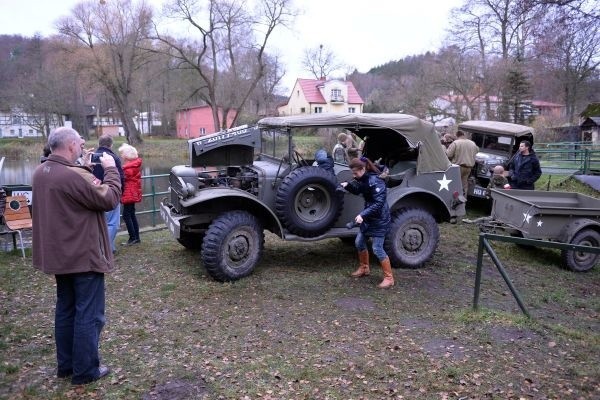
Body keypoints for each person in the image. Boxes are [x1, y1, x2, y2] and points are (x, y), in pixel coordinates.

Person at [32, 127, 121, 385]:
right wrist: (111, 168)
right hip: (82, 254)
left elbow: (75, 197)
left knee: (66, 309)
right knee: (89, 313)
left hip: (59, 255)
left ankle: (67, 366)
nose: (83, 148)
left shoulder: (41, 171)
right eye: (80, 144)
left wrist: (84, 170)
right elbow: (109, 198)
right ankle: (85, 371)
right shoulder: (73, 174)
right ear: (70, 146)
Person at [340, 157, 394, 289]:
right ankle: (364, 268)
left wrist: (362, 215)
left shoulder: (376, 181)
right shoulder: (364, 179)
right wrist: (348, 186)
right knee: (359, 242)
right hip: (369, 218)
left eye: (355, 173)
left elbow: (378, 203)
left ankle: (389, 278)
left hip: (379, 219)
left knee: (377, 248)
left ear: (363, 169)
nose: (354, 175)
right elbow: (360, 190)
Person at [92, 135, 125, 254]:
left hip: (95, 194)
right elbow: (120, 177)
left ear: (99, 144)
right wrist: (120, 194)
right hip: (110, 193)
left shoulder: (92, 157)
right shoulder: (113, 158)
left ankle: (108, 247)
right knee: (112, 224)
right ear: (111, 144)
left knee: (100, 223)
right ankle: (104, 249)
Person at [119, 143, 142, 245]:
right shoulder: (134, 165)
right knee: (131, 214)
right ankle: (136, 238)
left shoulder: (128, 168)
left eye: (122, 153)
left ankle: (133, 238)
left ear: (127, 155)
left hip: (129, 192)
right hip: (132, 192)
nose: (121, 155)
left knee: (126, 215)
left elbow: (124, 178)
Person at [446, 130, 479, 196]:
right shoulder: (473, 143)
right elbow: (477, 151)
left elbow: (449, 155)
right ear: (464, 135)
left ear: (457, 135)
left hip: (457, 167)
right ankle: (463, 200)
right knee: (464, 185)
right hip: (468, 168)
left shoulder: (456, 143)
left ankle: (451, 199)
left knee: (453, 184)